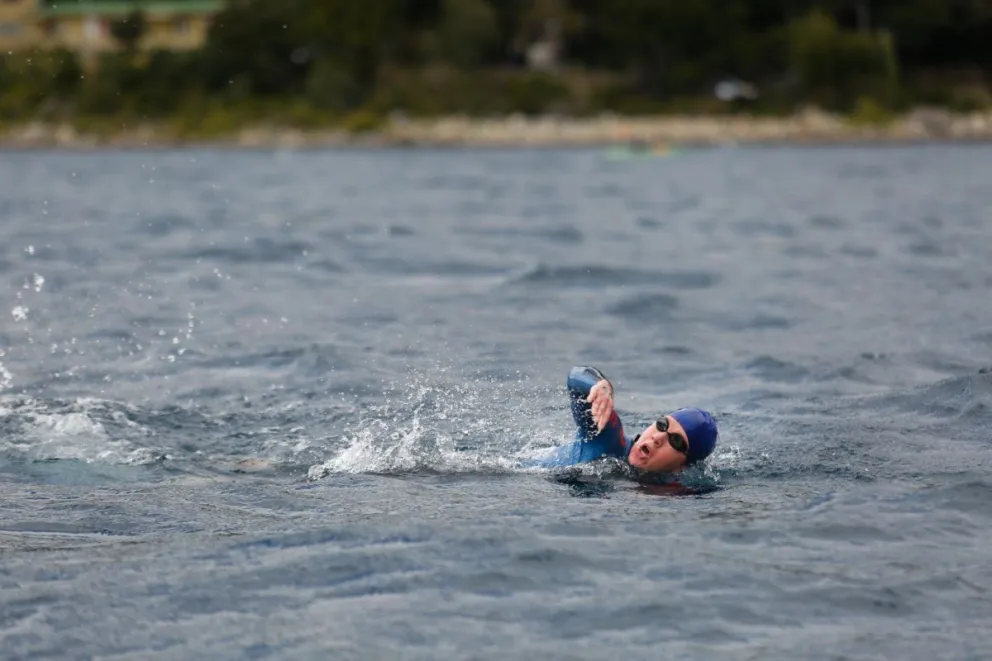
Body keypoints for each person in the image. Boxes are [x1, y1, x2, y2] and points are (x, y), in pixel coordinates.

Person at [532, 366, 718, 473]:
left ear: (682, 468)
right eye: (662, 425)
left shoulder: (670, 491)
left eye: (675, 441)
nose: (658, 437)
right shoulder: (608, 438)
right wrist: (601, 386)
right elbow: (576, 375)